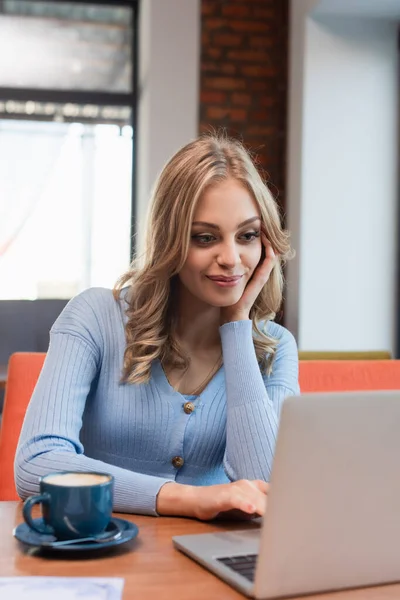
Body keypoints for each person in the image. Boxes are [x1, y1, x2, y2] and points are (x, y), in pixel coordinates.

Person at [15, 133, 299, 520]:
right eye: (205, 237)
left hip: (208, 566)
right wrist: (192, 499)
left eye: (247, 236)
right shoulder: (95, 317)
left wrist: (236, 326)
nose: (231, 259)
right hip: (99, 559)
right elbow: (37, 464)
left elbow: (267, 485)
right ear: (170, 240)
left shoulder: (276, 347)